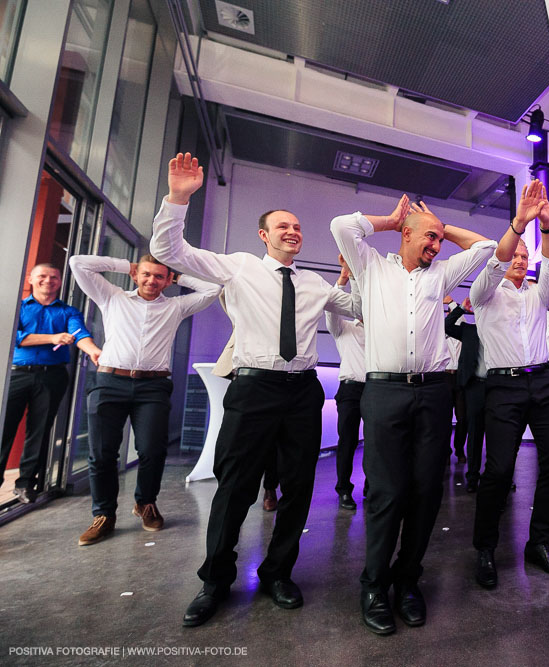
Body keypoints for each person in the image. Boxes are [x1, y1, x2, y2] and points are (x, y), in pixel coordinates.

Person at [150, 153, 357, 627]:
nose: (292, 231)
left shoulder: (316, 284)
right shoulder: (238, 266)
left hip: (301, 393)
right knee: (236, 488)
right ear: (264, 235)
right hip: (253, 390)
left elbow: (368, 309)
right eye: (282, 226)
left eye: (297, 227)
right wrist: (179, 197)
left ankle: (278, 573)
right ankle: (216, 581)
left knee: (299, 489)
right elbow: (170, 252)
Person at [331, 196, 496, 636]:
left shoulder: (441, 272)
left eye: (440, 240)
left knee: (426, 492)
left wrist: (441, 225)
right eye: (430, 238)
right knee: (387, 492)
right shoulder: (371, 267)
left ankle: (407, 581)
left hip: (433, 393)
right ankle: (373, 585)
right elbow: (340, 226)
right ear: (405, 235)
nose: (437, 246)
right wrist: (393, 219)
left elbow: (486, 248)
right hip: (383, 392)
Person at [69, 253, 220, 544]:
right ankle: (104, 515)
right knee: (102, 453)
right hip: (109, 382)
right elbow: (78, 263)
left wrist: (178, 276)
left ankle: (145, 503)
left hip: (153, 387)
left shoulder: (176, 307)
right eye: (146, 274)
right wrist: (125, 265)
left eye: (160, 276)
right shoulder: (112, 296)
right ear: (136, 275)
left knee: (152, 450)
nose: (152, 280)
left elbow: (212, 290)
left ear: (167, 281)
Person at [469, 180, 549, 589]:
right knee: (498, 470)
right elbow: (498, 259)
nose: (520, 259)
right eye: (515, 253)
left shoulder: (537, 293)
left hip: (543, 382)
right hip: (504, 388)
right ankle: (485, 548)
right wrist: (518, 224)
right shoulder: (484, 294)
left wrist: (545, 226)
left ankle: (539, 543)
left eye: (525, 256)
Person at [1, 264, 101, 504]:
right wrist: (53, 338)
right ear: (31, 279)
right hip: (16, 374)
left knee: (40, 430)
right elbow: (16, 338)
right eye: (43, 276)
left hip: (52, 376)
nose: (49, 280)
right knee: (4, 429)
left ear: (59, 281)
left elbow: (79, 334)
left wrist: (95, 352)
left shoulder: (68, 312)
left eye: (54, 277)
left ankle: (25, 484)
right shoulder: (18, 308)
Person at [211, 294, 279, 513]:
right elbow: (221, 293)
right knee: (236, 443)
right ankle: (231, 494)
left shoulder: (285, 312)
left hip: (276, 380)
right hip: (243, 377)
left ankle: (269, 488)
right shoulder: (243, 304)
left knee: (272, 441)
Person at [326, 255, 366, 511]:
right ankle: (344, 489)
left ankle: (373, 486)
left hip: (375, 389)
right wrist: (344, 279)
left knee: (375, 443)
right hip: (351, 389)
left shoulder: (380, 331)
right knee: (347, 442)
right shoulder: (344, 329)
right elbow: (331, 309)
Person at [444, 297, 487, 492]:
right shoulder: (469, 331)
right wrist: (460, 308)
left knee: (501, 435)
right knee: (475, 433)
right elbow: (446, 325)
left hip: (499, 386)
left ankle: (500, 476)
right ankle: (472, 477)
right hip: (475, 386)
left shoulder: (502, 332)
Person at [443, 296, 468, 466]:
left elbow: (460, 316)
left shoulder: (463, 331)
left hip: (460, 377)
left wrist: (453, 303)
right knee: (443, 418)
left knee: (462, 418)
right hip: (444, 377)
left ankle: (459, 449)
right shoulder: (440, 329)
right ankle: (444, 451)